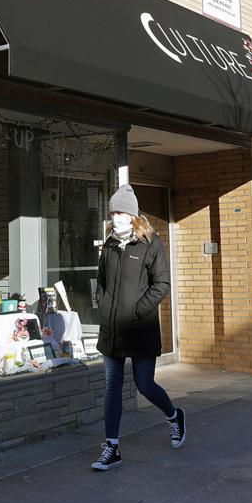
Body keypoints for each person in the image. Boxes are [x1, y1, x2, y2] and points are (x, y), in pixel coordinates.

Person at [91, 184, 185, 471]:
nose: (115, 216)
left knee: (144, 384)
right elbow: (102, 283)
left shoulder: (150, 243)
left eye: (120, 212)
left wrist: (137, 311)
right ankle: (112, 447)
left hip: (140, 328)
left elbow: (161, 285)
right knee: (112, 387)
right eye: (113, 212)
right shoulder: (108, 244)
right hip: (111, 330)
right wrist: (104, 307)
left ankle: (174, 416)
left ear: (132, 215)